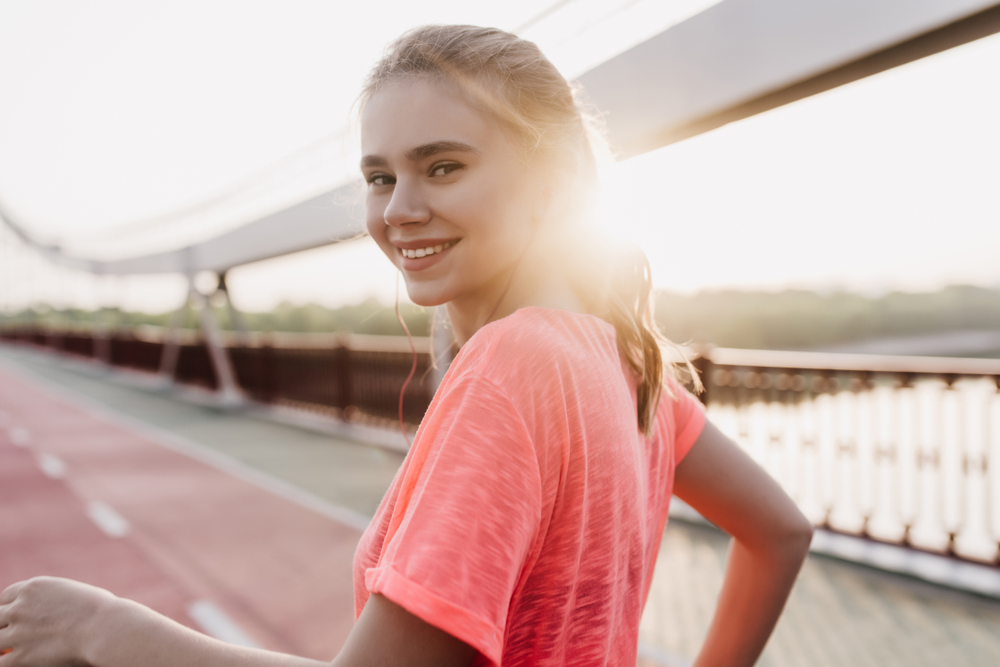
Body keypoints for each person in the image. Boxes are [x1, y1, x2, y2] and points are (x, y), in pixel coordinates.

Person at [0, 25, 812, 667]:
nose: (399, 209)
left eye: (444, 166)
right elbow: (780, 529)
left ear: (551, 180)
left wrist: (103, 627)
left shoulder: (513, 367)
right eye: (381, 176)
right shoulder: (627, 366)